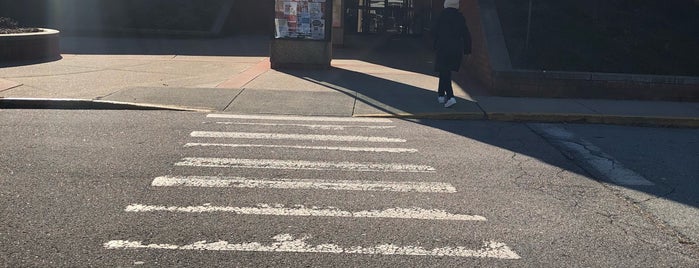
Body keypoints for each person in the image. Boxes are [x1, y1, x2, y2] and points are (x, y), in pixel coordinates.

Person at [432, 0, 472, 108]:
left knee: (444, 72)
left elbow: (435, 32)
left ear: (446, 5)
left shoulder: (441, 17)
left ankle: (450, 97)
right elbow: (466, 35)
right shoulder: (460, 18)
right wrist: (467, 51)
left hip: (443, 47)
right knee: (445, 70)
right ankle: (441, 95)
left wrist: (434, 45)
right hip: (456, 49)